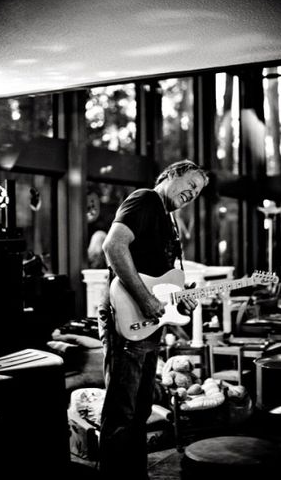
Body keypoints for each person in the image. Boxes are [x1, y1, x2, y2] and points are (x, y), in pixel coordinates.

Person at [98, 159, 209, 480]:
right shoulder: (145, 199)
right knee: (122, 410)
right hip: (128, 312)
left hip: (148, 322)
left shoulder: (169, 220)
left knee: (141, 406)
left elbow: (165, 282)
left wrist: (183, 300)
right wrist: (146, 299)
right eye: (190, 183)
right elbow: (113, 245)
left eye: (198, 191)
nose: (193, 193)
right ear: (171, 175)